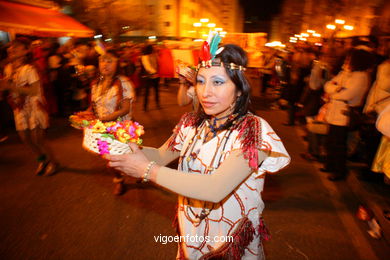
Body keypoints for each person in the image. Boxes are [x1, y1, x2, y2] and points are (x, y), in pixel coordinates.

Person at [105, 43, 290, 259]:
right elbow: (161, 156)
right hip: (191, 231)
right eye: (201, 82)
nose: (205, 92)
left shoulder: (254, 131)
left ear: (239, 89)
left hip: (229, 240)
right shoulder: (191, 123)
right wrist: (115, 145)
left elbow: (214, 189)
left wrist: (146, 170)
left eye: (218, 82)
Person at [0, 38, 57, 175]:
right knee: (25, 138)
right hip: (19, 107)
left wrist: (10, 86)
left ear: (26, 51)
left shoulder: (30, 68)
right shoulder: (8, 68)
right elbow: (8, 87)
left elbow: (34, 91)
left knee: (38, 139)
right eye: (11, 46)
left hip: (34, 106)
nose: (12, 49)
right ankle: (42, 160)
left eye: (17, 47)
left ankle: (53, 162)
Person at [322, 49, 373, 181]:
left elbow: (348, 95)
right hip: (334, 110)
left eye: (350, 59)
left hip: (344, 113)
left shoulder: (361, 77)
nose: (347, 61)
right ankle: (330, 164)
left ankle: (339, 171)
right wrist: (337, 89)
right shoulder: (345, 73)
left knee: (339, 143)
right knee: (331, 141)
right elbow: (327, 85)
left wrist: (335, 90)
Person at [89, 49, 135, 195]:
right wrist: (85, 115)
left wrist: (106, 119)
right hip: (101, 129)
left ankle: (137, 171)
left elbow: (125, 109)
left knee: (118, 158)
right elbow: (94, 105)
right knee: (106, 157)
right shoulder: (96, 83)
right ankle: (119, 179)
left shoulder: (124, 82)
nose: (105, 64)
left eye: (110, 61)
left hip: (121, 129)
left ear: (117, 64)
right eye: (102, 60)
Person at [141, 44, 160, 111]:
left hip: (156, 76)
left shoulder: (154, 54)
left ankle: (157, 104)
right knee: (147, 92)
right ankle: (145, 106)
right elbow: (147, 66)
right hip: (149, 76)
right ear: (149, 49)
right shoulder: (145, 56)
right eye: (153, 48)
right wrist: (154, 72)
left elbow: (158, 62)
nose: (154, 49)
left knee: (156, 91)